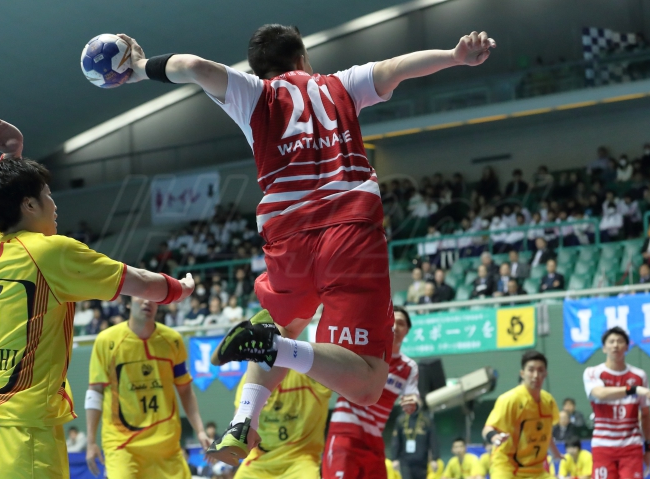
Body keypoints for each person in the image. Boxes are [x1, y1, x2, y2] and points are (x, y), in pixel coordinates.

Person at [118, 25, 496, 466]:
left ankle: (243, 419)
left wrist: (138, 68)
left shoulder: (253, 93)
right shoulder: (339, 85)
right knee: (368, 383)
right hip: (349, 231)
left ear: (258, 68)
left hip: (286, 236)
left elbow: (192, 66)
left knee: (285, 323)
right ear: (302, 57)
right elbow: (397, 68)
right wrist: (454, 55)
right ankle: (273, 348)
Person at [0, 112, 195, 479]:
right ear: (29, 205)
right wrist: (180, 289)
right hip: (28, 426)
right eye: (47, 196)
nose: (55, 205)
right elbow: (138, 281)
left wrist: (11, 153)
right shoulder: (49, 252)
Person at [85, 296, 211, 478]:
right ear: (127, 302)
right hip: (122, 446)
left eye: (153, 296)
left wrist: (200, 431)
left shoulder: (172, 340)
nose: (147, 301)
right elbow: (95, 392)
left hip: (166, 447)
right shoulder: (106, 341)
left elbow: (185, 389)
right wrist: (91, 442)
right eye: (140, 294)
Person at [324, 306, 421, 479]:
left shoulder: (409, 367)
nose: (395, 327)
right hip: (346, 433)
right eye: (392, 322)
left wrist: (412, 404)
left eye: (400, 323)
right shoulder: (362, 351)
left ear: (407, 331)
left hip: (374, 440)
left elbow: (412, 397)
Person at [583, 326, 650, 479]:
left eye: (620, 341)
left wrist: (649, 448)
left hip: (631, 447)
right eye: (611, 342)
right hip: (603, 447)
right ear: (604, 348)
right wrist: (634, 390)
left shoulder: (639, 376)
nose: (615, 345)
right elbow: (600, 394)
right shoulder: (593, 372)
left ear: (627, 347)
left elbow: (646, 415)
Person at [233, 370, 331, 479]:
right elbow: (240, 423)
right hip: (259, 461)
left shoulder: (307, 374)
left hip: (300, 460)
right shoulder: (252, 377)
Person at [481, 350, 561, 479]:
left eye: (540, 370)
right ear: (522, 373)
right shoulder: (509, 400)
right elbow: (487, 429)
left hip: (536, 470)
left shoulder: (549, 401)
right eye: (531, 370)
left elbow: (546, 434)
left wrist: (555, 453)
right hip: (507, 468)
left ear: (545, 373)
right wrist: (495, 437)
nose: (536, 375)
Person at [390, 408, 434, 479]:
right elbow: (396, 440)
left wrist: (434, 458)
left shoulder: (426, 420)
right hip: (405, 460)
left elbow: (432, 439)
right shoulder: (400, 420)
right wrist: (394, 458)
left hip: (422, 460)